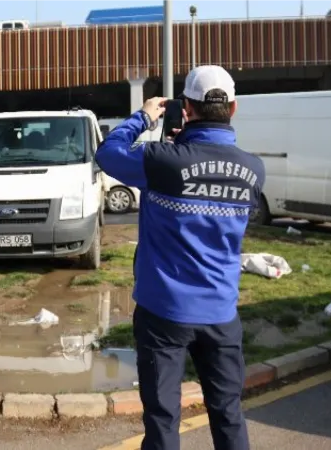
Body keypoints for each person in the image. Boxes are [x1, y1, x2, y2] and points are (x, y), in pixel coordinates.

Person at [95, 65, 265, 450]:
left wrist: (143, 116)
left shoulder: (163, 161)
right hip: (221, 313)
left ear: (185, 107)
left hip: (163, 312)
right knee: (228, 413)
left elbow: (108, 154)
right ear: (233, 109)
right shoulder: (254, 170)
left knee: (163, 419)